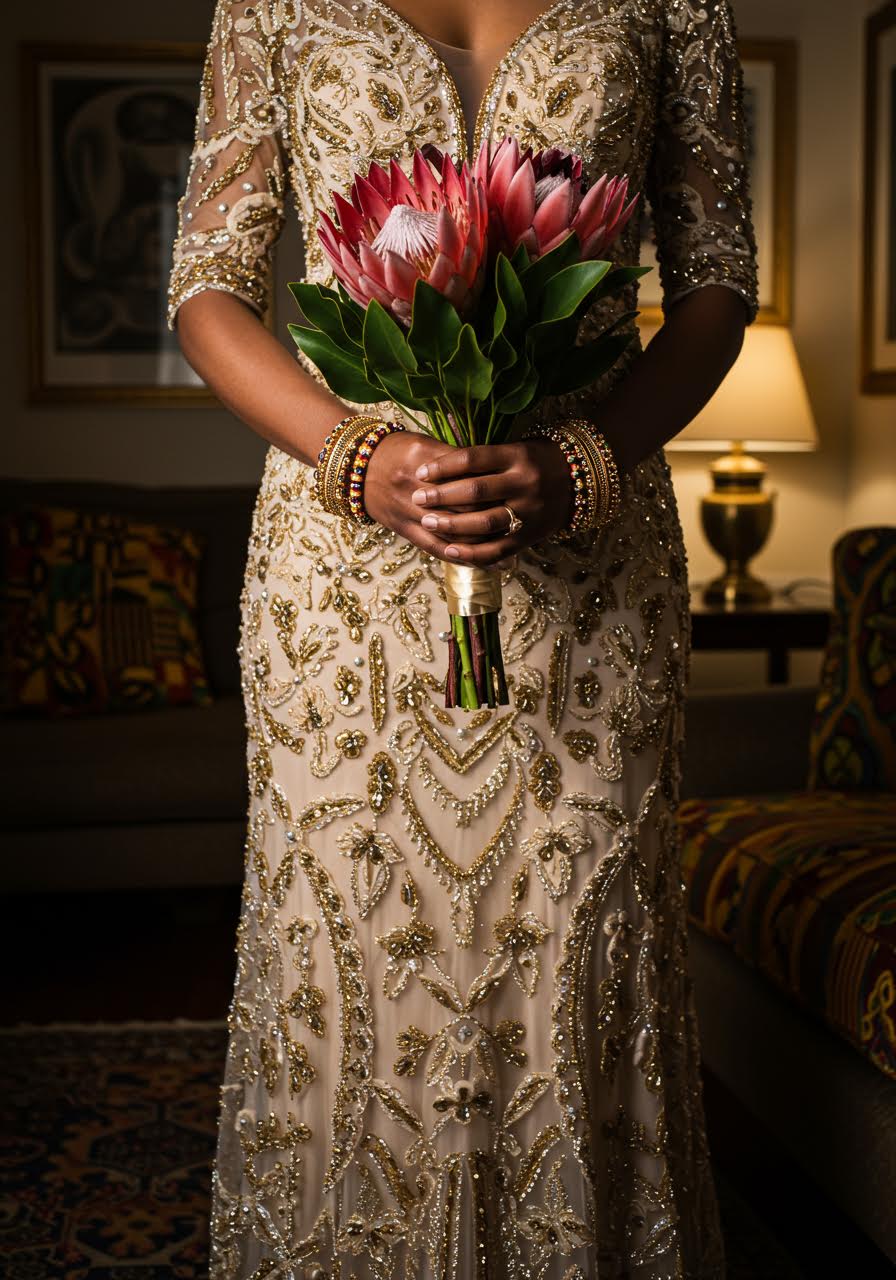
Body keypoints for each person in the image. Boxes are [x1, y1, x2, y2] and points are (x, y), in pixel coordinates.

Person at [168, 0, 758, 1274]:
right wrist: (356, 458)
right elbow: (207, 283)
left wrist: (580, 458)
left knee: (580, 967)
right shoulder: (267, 4)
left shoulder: (670, 4)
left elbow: (716, 283)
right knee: (350, 968)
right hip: (345, 581)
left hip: (589, 562)